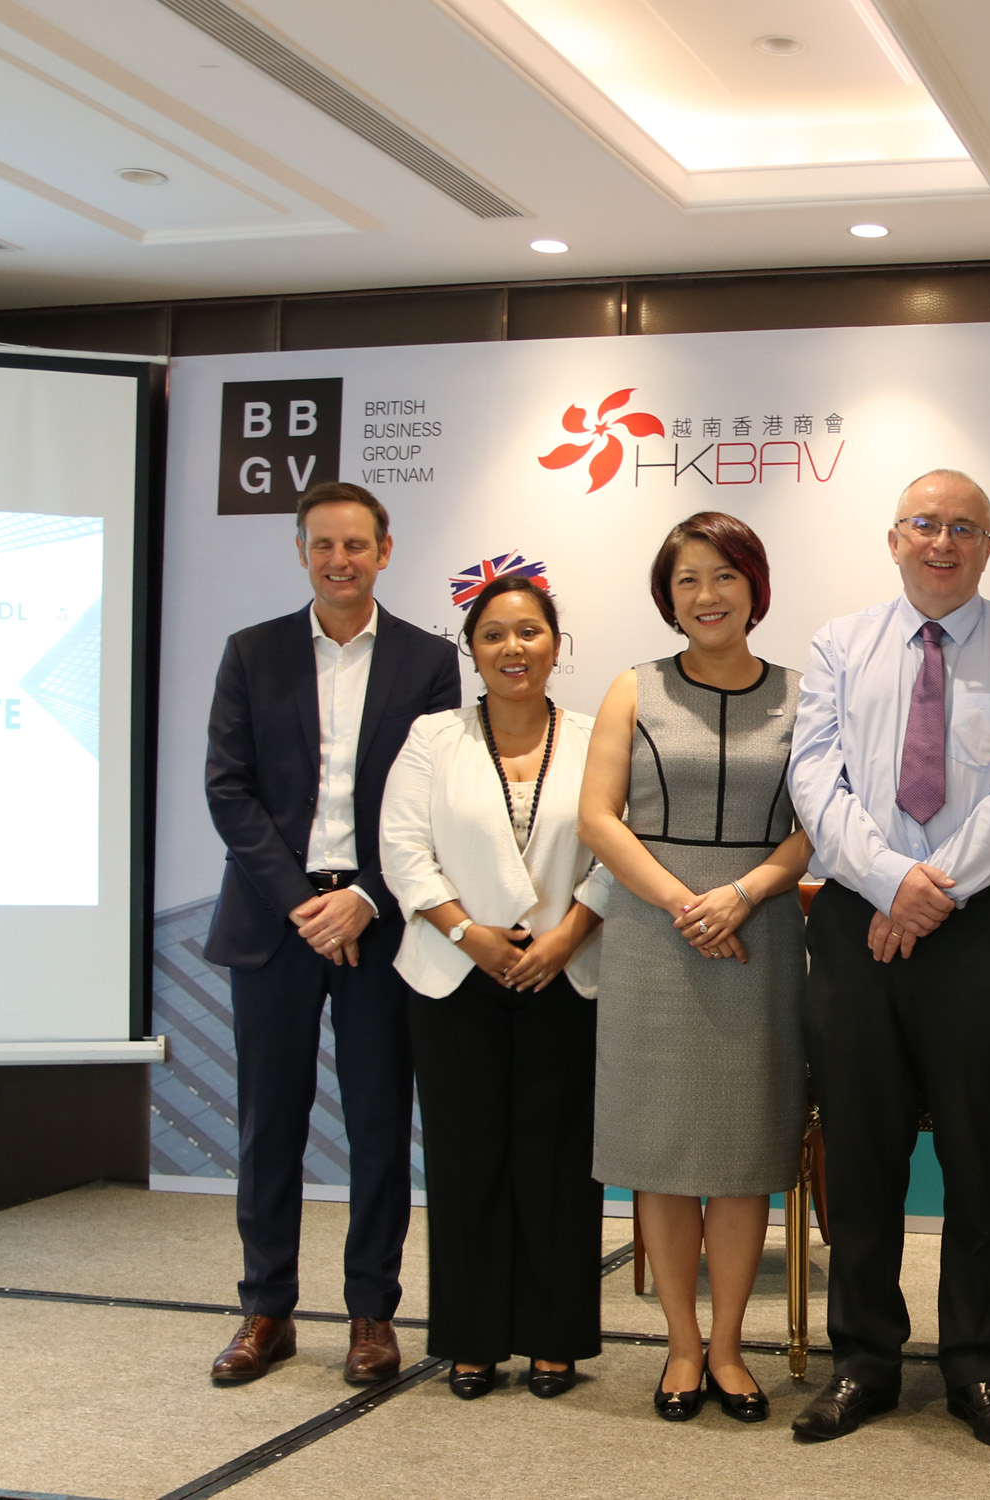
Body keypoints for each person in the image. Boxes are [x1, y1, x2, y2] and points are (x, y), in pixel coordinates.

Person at [786, 469, 990, 1449]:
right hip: (857, 924)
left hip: (982, 928)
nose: (942, 542)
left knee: (979, 1157)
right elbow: (815, 781)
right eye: (925, 524)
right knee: (860, 1154)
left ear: (988, 547)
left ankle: (978, 1367)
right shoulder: (839, 645)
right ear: (894, 538)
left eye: (964, 528)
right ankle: (863, 1362)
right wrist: (887, 883)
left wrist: (928, 889)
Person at [203, 481, 461, 1385]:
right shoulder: (252, 652)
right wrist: (301, 902)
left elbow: (434, 801)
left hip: (379, 924)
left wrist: (367, 898)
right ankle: (265, 1309)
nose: (339, 560)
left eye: (356, 545)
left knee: (380, 1122)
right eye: (323, 545)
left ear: (384, 552)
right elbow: (228, 789)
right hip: (277, 922)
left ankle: (370, 1313)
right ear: (302, 552)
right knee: (268, 1122)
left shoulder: (428, 660)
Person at [578, 512, 811, 1425]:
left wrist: (742, 894)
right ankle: (682, 1347)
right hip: (654, 936)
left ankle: (729, 1349)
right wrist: (687, 904)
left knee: (745, 1155)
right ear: (666, 597)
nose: (707, 595)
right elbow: (599, 819)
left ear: (755, 587)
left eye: (724, 576)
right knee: (664, 1154)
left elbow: (817, 824)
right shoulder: (632, 689)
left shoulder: (804, 695)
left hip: (759, 935)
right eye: (687, 580)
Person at [380, 573, 607, 1400]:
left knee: (558, 1165)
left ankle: (554, 1338)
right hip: (454, 974)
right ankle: (470, 1338)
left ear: (556, 646)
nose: (514, 648)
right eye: (494, 635)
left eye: (530, 632)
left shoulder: (595, 738)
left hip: (564, 970)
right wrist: (465, 932)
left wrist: (568, 934)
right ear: (471, 651)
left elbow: (620, 849)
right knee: (464, 1159)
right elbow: (403, 849)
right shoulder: (433, 737)